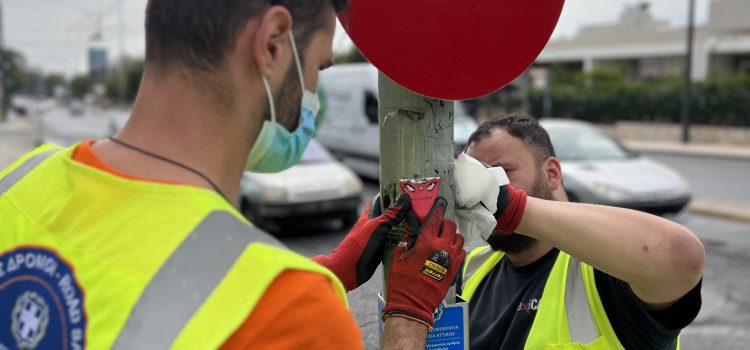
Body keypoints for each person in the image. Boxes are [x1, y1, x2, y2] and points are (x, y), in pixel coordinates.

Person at [0, 1, 465, 349]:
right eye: (319, 65)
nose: (313, 92)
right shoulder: (293, 315)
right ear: (271, 45)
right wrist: (407, 317)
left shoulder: (23, 178)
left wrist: (329, 272)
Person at [456, 116, 704, 349]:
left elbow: (681, 255)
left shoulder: (606, 271)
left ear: (551, 173)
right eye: (478, 180)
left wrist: (512, 208)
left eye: (501, 172)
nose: (483, 189)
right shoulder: (473, 267)